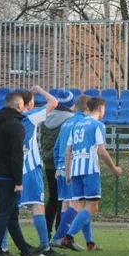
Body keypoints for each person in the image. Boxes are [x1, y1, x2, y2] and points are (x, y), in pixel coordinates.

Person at [62, 97, 123, 250]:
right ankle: (68, 237)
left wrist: (68, 172)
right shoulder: (97, 125)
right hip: (89, 169)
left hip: (75, 169)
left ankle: (90, 242)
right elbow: (102, 151)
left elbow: (68, 151)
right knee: (93, 207)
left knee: (84, 207)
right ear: (101, 109)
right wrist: (114, 168)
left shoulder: (75, 126)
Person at [0, 91, 44, 256]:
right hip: (7, 176)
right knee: (4, 214)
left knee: (12, 214)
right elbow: (16, 155)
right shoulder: (16, 125)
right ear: (19, 106)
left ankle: (25, 250)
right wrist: (18, 182)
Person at [13, 87, 60, 256]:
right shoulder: (30, 117)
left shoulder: (9, 120)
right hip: (30, 168)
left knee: (8, 211)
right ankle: (45, 246)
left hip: (12, 169)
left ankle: (0, 247)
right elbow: (54, 102)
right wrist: (39, 90)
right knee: (38, 206)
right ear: (29, 103)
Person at [50, 95, 88, 246]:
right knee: (77, 205)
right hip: (72, 168)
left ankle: (64, 238)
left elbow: (55, 148)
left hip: (60, 167)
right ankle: (59, 237)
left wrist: (57, 165)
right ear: (87, 109)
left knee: (67, 204)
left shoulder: (66, 123)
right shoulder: (83, 123)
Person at [39, 91, 75, 234]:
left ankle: (46, 230)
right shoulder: (70, 119)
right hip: (62, 162)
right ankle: (61, 232)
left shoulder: (45, 118)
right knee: (64, 198)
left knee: (53, 197)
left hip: (48, 162)